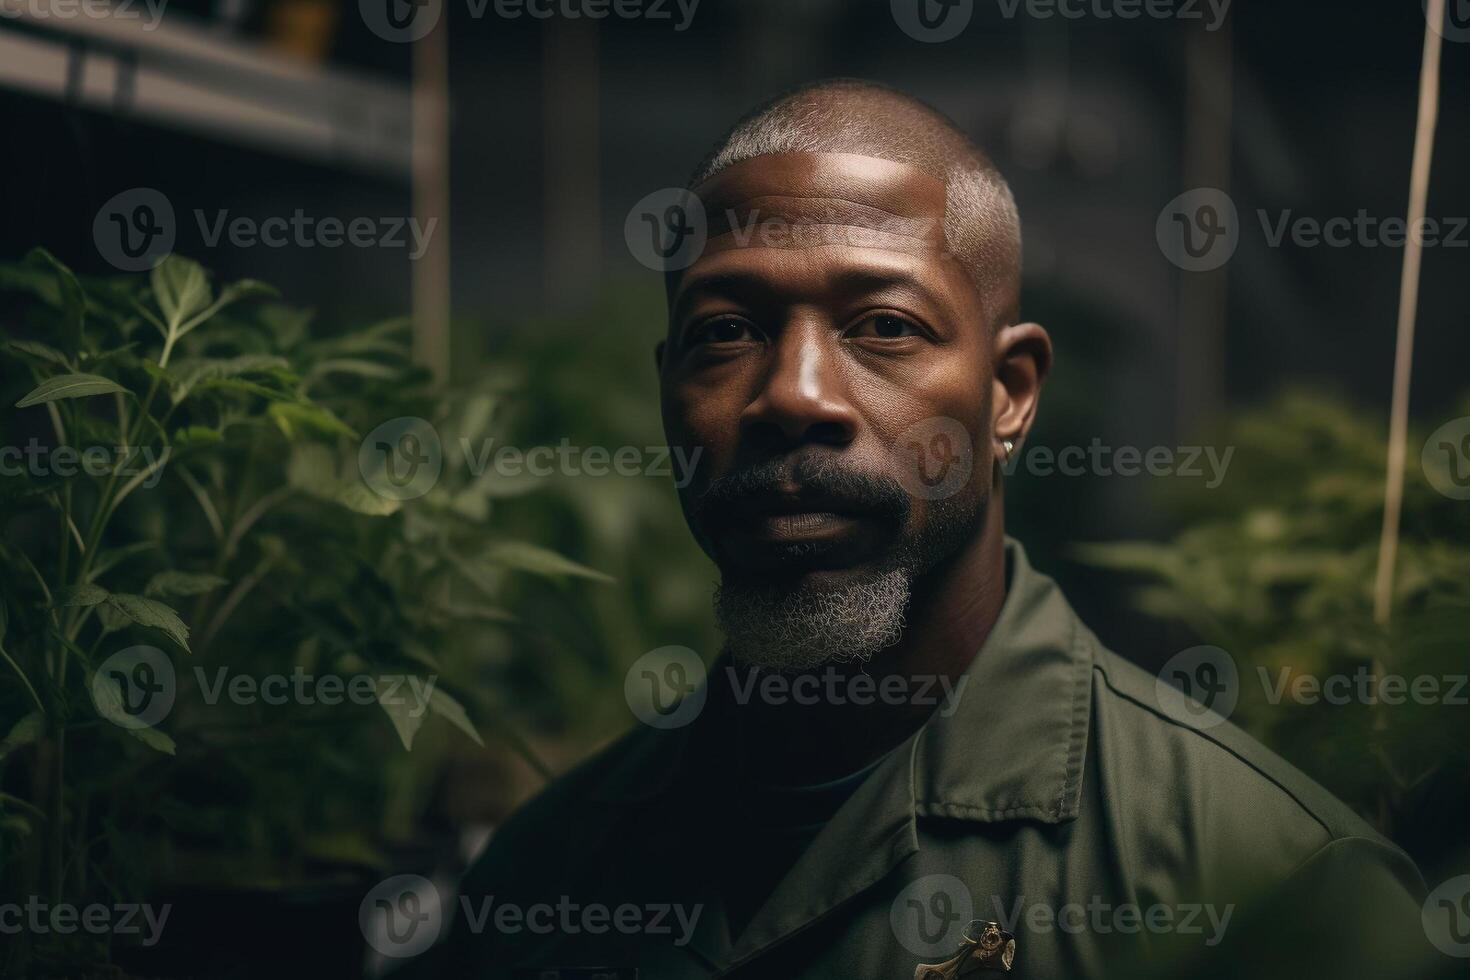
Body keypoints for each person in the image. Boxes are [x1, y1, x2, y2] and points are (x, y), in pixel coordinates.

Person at [434, 79, 1428, 979]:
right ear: (667, 388)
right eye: (725, 331)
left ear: (1008, 394)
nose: (793, 394)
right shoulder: (543, 875)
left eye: (885, 327)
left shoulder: (1275, 891)